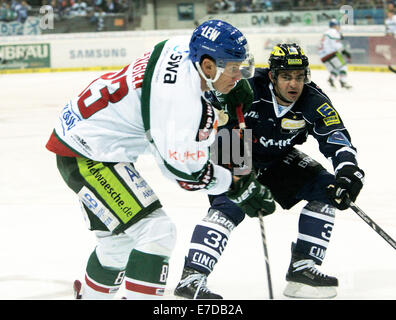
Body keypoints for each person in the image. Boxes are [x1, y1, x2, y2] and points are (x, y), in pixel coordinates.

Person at [45, 19, 271, 299]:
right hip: (88, 153)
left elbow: (194, 123)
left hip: (85, 136)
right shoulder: (178, 104)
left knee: (116, 245)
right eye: (234, 69)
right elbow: (183, 173)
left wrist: (217, 105)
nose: (239, 76)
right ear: (209, 66)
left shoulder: (182, 46)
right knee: (157, 231)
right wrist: (234, 183)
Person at [174, 43, 365, 299]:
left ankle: (302, 269)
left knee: (329, 190)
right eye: (286, 76)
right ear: (273, 76)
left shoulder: (313, 100)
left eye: (299, 77)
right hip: (234, 144)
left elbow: (336, 136)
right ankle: (192, 278)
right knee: (230, 207)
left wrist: (348, 171)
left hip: (277, 159)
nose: (293, 84)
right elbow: (206, 104)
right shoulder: (248, 85)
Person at [318, 19, 352, 89]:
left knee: (335, 69)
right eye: (338, 26)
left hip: (322, 56)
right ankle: (343, 82)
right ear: (335, 26)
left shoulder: (326, 33)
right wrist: (344, 52)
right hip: (332, 54)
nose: (339, 27)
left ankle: (331, 79)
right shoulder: (334, 32)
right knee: (343, 66)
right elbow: (336, 44)